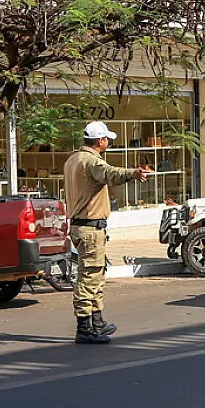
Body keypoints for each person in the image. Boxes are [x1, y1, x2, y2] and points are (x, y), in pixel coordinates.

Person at [63, 121, 150, 344]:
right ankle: (84, 328)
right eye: (107, 140)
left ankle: (97, 321)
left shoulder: (73, 159)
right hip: (90, 228)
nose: (108, 143)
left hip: (83, 227)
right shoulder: (91, 161)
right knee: (89, 277)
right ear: (100, 141)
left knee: (96, 275)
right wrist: (132, 173)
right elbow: (109, 173)